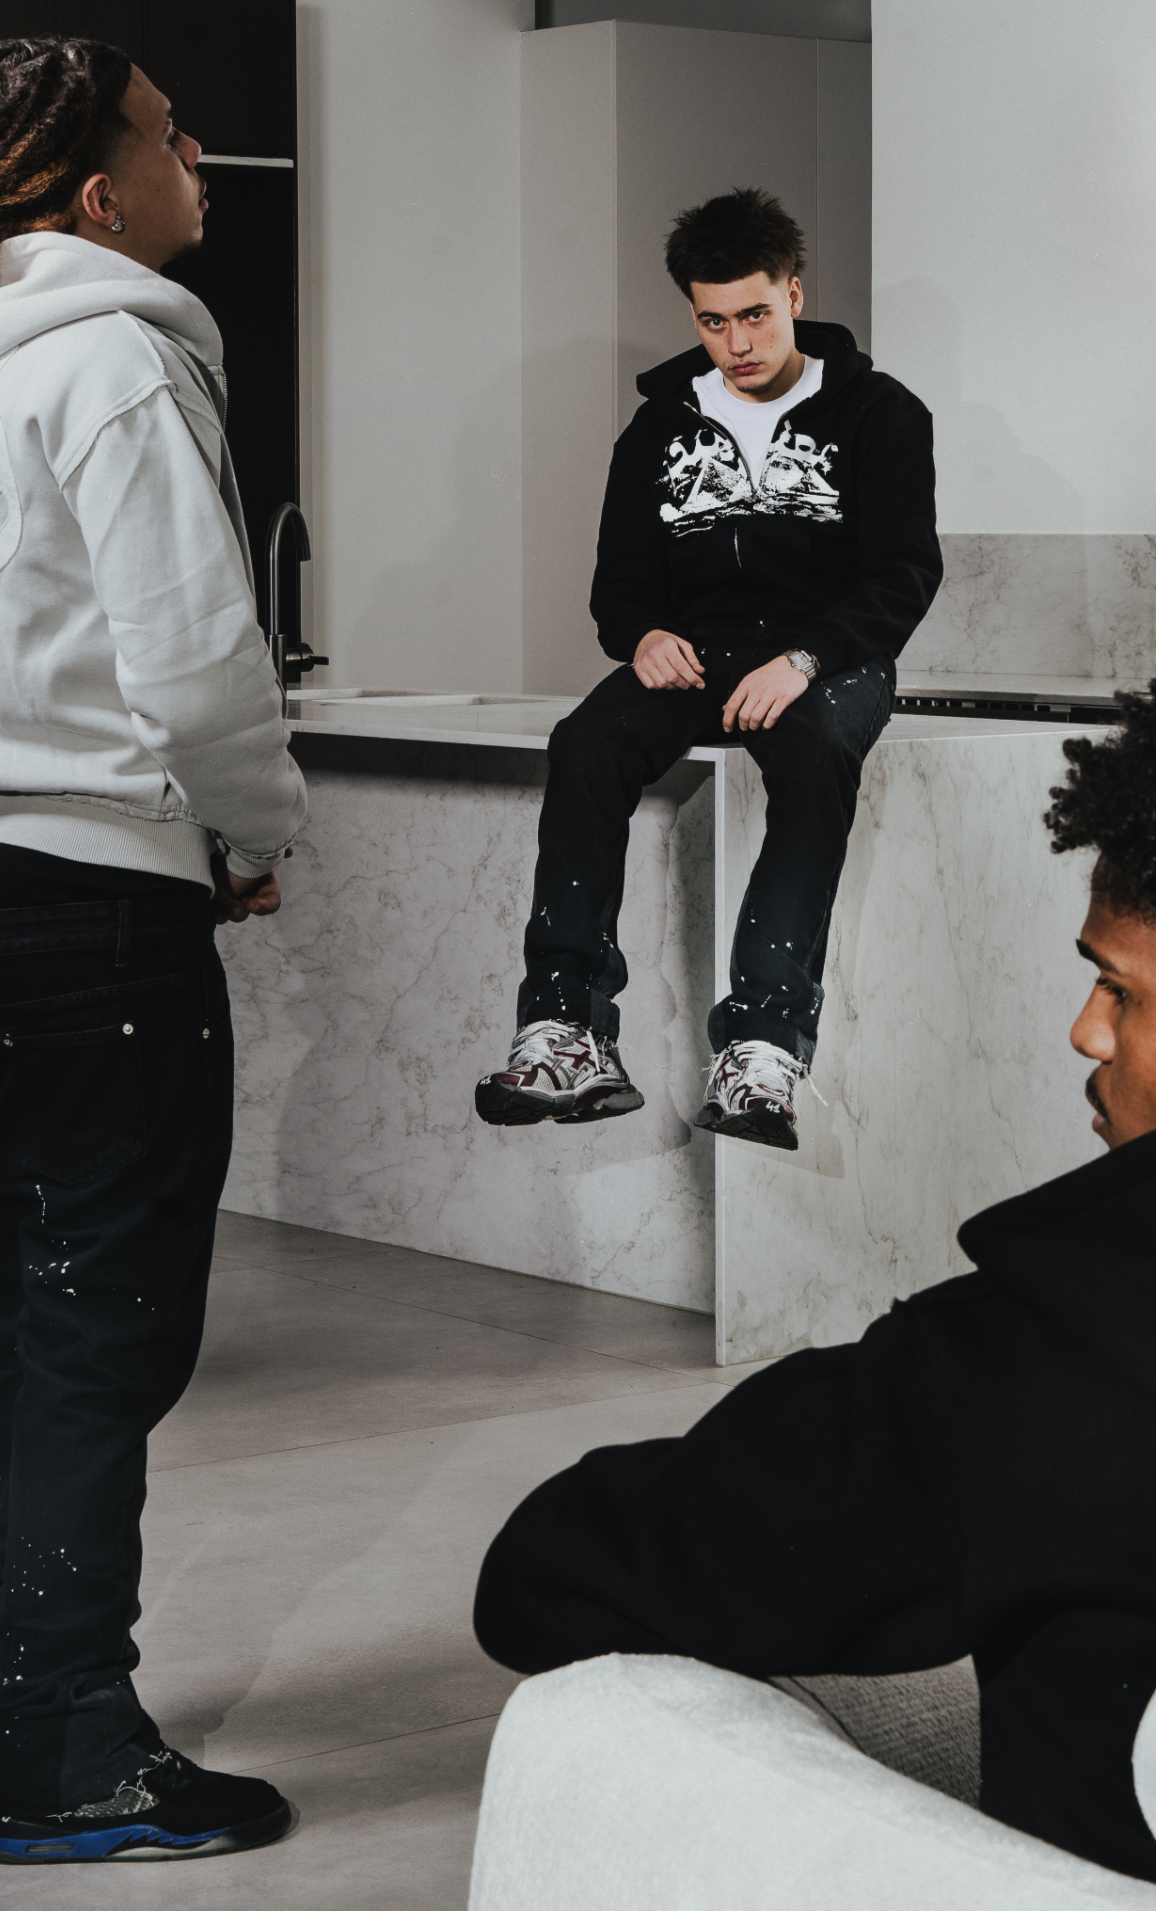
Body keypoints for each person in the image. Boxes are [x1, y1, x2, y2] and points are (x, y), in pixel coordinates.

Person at [0, 37, 306, 1865]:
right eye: (173, 135)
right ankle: (67, 1754)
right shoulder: (111, 356)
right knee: (93, 1331)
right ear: (104, 194)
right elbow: (194, 651)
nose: (200, 158)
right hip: (103, 895)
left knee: (1, 1305)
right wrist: (250, 828)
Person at [473, 686, 1156, 1882]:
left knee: (594, 1721)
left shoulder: (1033, 1360)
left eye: (1121, 990)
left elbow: (553, 1570)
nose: (1083, 1034)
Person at [476, 188, 942, 1147]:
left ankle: (762, 1046)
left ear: (794, 294)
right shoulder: (657, 427)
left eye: (755, 315)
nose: (737, 343)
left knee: (817, 748)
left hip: (827, 653)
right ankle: (564, 1028)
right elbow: (620, 580)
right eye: (713, 321)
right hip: (698, 652)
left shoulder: (881, 413)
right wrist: (642, 633)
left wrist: (805, 658)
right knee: (585, 742)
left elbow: (903, 574)